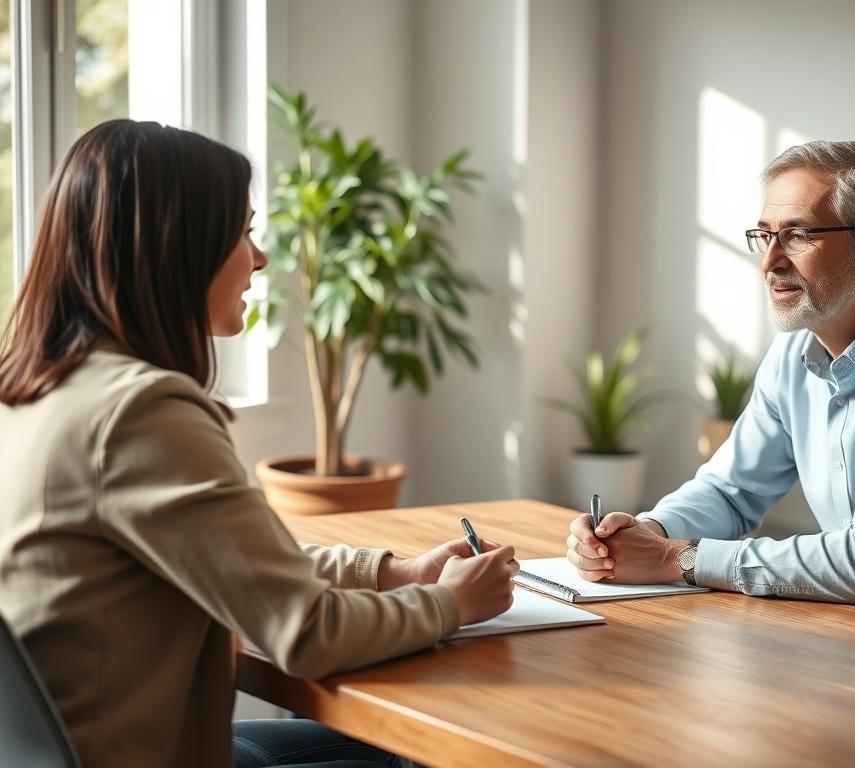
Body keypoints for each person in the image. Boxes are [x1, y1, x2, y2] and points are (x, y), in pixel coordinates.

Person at [0, 119, 518, 768]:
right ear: (177, 248)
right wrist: (450, 604)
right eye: (244, 233)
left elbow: (240, 563)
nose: (262, 258)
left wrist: (396, 573)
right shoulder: (138, 412)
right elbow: (307, 634)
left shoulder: (38, 392)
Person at [565, 140, 855, 620]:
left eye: (799, 235)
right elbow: (731, 491)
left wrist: (676, 559)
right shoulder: (795, 350)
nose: (770, 263)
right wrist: (646, 533)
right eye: (765, 236)